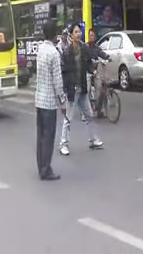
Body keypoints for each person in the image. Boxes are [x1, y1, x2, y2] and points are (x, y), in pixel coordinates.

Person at [60, 23, 103, 156]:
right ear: (71, 35)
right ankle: (63, 144)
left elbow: (89, 61)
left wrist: (94, 69)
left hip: (82, 88)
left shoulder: (83, 48)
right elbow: (65, 72)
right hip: (73, 89)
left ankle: (92, 140)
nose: (79, 34)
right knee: (68, 118)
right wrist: (67, 89)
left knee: (89, 114)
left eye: (80, 32)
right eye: (76, 32)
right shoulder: (67, 52)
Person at [35, 21, 67, 181]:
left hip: (39, 99)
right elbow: (57, 81)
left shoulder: (40, 50)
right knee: (49, 136)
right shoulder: (53, 53)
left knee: (40, 135)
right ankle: (46, 170)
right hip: (49, 102)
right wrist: (62, 102)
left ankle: (41, 165)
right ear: (55, 35)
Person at [86, 28, 110, 118]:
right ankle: (86, 110)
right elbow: (85, 59)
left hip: (96, 71)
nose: (90, 37)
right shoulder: (85, 47)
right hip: (88, 71)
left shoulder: (96, 48)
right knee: (87, 90)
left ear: (95, 37)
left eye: (92, 35)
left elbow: (101, 53)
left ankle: (99, 110)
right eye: (89, 35)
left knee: (100, 88)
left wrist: (107, 57)